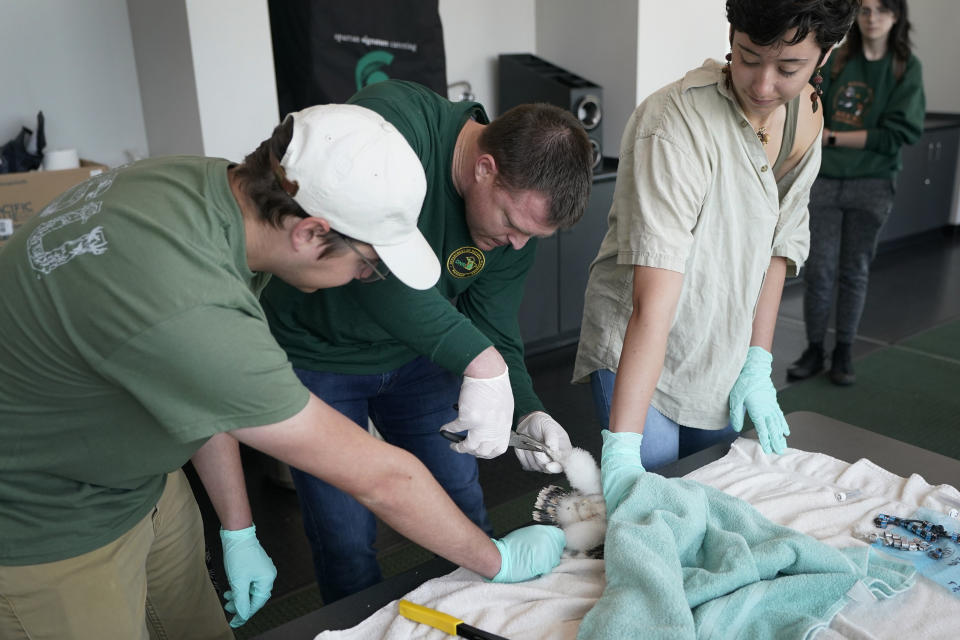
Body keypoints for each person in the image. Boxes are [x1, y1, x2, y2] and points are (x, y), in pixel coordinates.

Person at [0, 104, 566, 640]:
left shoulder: (204, 189)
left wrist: (238, 527)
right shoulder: (188, 298)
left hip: (142, 479)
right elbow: (383, 479)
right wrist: (498, 560)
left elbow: (202, 389)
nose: (362, 281)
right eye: (367, 267)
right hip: (46, 522)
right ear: (309, 233)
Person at [260, 79, 594, 602]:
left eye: (532, 235)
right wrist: (480, 363)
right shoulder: (387, 130)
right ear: (485, 168)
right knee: (342, 530)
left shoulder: (515, 226)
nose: (516, 244)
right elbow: (374, 276)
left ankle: (477, 613)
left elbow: (495, 325)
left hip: (418, 360)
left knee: (460, 501)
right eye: (511, 222)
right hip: (318, 353)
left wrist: (527, 411)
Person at [573, 0, 861, 467]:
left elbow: (777, 248)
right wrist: (624, 449)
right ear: (731, 37)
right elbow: (653, 299)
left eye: (789, 67)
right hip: (643, 337)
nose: (764, 85)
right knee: (654, 490)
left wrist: (758, 362)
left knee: (711, 489)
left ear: (824, 57)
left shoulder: (805, 121)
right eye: (748, 58)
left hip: (719, 342)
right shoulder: (673, 124)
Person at [788, 0, 924, 385]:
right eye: (864, 9)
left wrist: (832, 137)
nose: (872, 17)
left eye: (882, 10)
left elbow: (898, 135)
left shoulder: (905, 67)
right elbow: (811, 107)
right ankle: (814, 349)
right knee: (819, 271)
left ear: (896, 16)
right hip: (825, 181)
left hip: (873, 185)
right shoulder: (836, 61)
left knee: (854, 272)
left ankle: (843, 351)